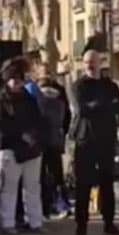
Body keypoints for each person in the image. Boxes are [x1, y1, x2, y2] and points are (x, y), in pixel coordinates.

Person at [71, 50, 119, 235]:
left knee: (107, 181)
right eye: (86, 62)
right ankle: (81, 225)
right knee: (83, 183)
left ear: (100, 62)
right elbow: (82, 109)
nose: (90, 65)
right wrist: (104, 105)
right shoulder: (79, 85)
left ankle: (109, 223)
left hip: (106, 138)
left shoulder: (109, 85)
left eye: (93, 61)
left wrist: (99, 105)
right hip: (85, 139)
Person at [0, 57, 45, 234]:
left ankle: (35, 222)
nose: (17, 84)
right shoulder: (2, 101)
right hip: (10, 148)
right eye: (14, 80)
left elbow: (39, 120)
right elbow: (4, 124)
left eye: (20, 80)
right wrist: (21, 134)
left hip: (31, 149)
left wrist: (35, 136)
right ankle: (8, 223)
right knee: (9, 188)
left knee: (33, 187)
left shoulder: (29, 99)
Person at [36, 77, 70, 220]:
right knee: (58, 176)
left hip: (40, 142)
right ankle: (62, 204)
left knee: (41, 177)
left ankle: (44, 208)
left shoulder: (38, 101)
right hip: (56, 142)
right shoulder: (61, 103)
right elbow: (67, 121)